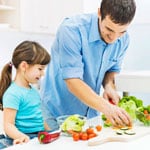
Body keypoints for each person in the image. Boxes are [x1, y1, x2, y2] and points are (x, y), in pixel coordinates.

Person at [40, 0, 136, 129]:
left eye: (121, 32)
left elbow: (112, 70)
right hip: (56, 114)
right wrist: (107, 108)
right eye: (109, 29)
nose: (114, 38)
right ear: (99, 13)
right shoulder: (71, 30)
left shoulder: (124, 39)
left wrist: (109, 86)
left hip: (90, 115)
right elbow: (73, 81)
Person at [0, 41, 51, 148]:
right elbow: (8, 125)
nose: (43, 74)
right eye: (40, 69)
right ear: (24, 66)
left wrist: (51, 131)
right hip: (23, 138)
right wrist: (20, 137)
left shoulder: (32, 89)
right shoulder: (13, 93)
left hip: (38, 136)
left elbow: (38, 117)